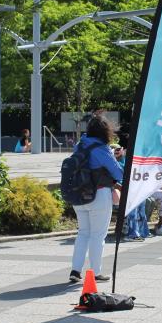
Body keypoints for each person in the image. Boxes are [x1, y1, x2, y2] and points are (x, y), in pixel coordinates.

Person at [68, 115, 122, 283]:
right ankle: (96, 272)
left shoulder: (79, 145)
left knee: (83, 233)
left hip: (79, 195)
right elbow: (118, 173)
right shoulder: (102, 148)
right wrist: (117, 157)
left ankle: (75, 270)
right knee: (98, 235)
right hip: (99, 195)